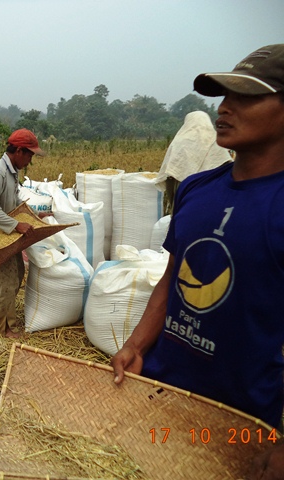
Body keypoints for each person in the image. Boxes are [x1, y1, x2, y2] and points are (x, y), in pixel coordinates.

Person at [111, 45, 284, 479]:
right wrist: (135, 346)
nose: (224, 108)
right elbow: (171, 281)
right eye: (224, 96)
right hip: (165, 391)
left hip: (245, 417)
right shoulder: (196, 189)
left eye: (245, 97)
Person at [0, 128, 45, 338]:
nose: (30, 161)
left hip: (5, 233)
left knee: (17, 273)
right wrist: (16, 225)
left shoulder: (11, 172)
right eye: (29, 155)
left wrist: (33, 217)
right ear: (18, 151)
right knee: (6, 280)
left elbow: (13, 203)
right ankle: (6, 327)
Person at [155, 110, 233, 216]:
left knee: (183, 220)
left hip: (183, 192)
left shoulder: (178, 142)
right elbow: (228, 169)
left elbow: (169, 173)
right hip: (210, 194)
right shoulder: (216, 142)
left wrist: (173, 200)